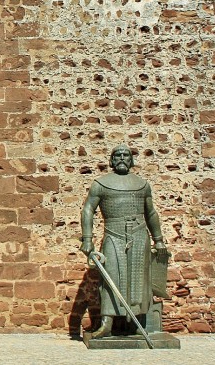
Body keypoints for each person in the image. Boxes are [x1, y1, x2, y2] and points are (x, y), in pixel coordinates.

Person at [80, 145, 168, 338]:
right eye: (117, 155)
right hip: (114, 234)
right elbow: (88, 209)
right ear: (111, 160)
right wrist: (87, 239)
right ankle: (107, 324)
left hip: (139, 234)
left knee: (140, 279)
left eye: (126, 155)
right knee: (111, 277)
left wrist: (158, 240)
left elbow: (150, 213)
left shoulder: (142, 185)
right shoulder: (100, 184)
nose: (122, 158)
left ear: (131, 160)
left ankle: (139, 323)